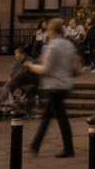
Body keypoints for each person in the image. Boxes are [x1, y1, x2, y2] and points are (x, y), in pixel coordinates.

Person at [27, 18, 76, 158]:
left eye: (48, 30)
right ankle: (35, 145)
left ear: (52, 31)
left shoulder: (53, 45)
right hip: (65, 84)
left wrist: (31, 66)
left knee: (60, 117)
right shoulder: (68, 44)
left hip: (55, 86)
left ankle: (69, 148)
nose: (47, 33)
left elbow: (46, 69)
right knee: (48, 116)